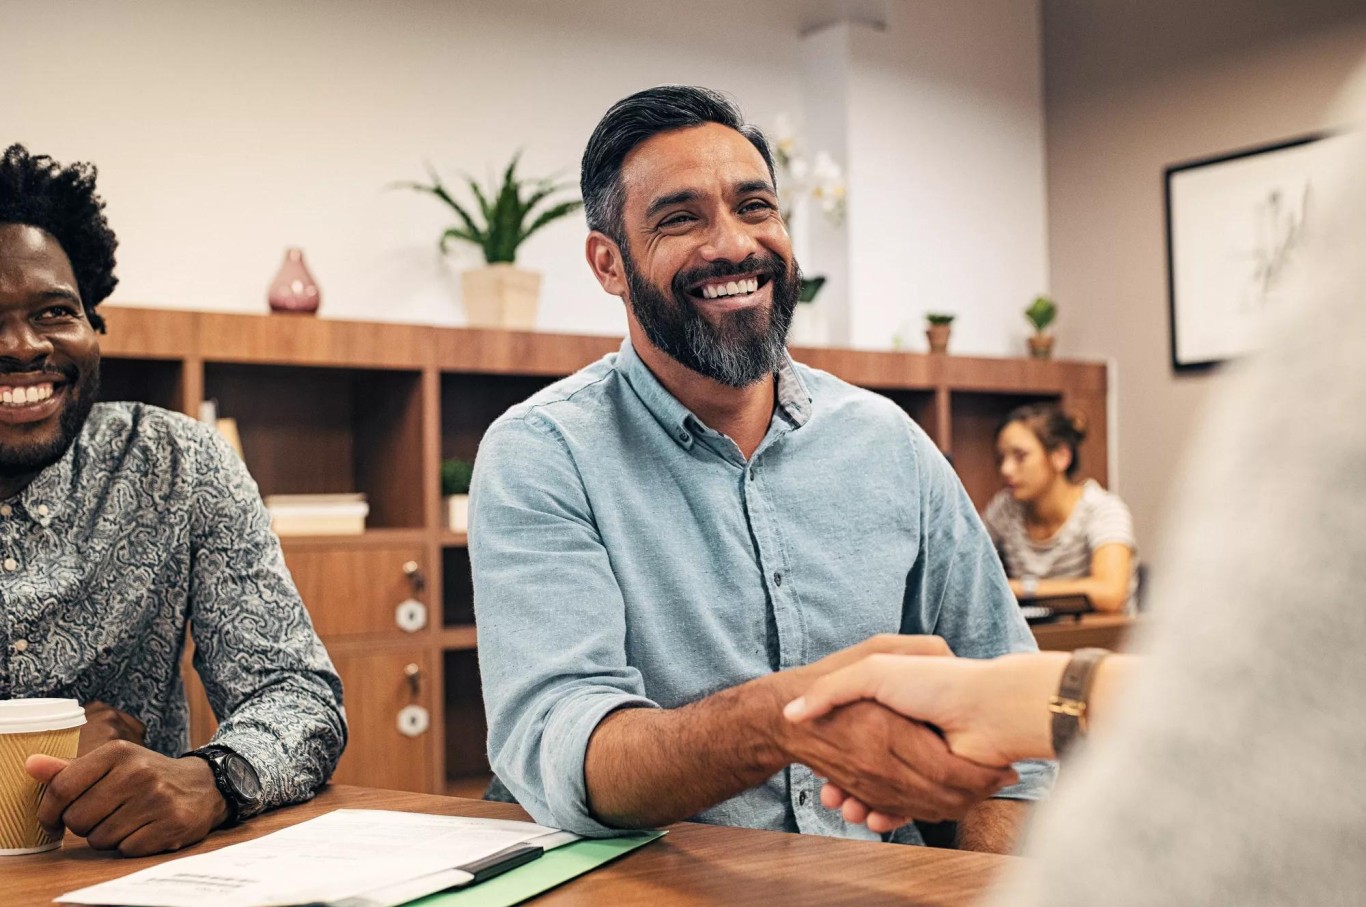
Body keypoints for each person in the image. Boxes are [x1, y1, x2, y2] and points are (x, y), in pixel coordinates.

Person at [782, 129, 1366, 904]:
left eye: (1023, 454)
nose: (1011, 470)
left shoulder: (1100, 511)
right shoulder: (996, 513)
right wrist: (1027, 700)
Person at [470, 86, 1053, 853]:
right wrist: (787, 719)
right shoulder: (545, 455)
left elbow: (1016, 735)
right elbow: (564, 748)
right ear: (607, 263)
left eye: (755, 207)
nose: (733, 245)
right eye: (681, 218)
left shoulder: (890, 444)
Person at [0, 144, 346, 856]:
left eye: (55, 311)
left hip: (129, 877)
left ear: (93, 326)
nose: (23, 345)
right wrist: (34, 749)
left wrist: (212, 778)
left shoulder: (177, 464)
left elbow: (296, 692)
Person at [983, 403, 1137, 612]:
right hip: (1036, 641)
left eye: (1020, 457)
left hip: (1102, 639)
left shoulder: (1102, 509)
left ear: (1060, 456)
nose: (1006, 469)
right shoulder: (1004, 509)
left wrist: (1022, 589)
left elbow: (1110, 594)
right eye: (1001, 458)